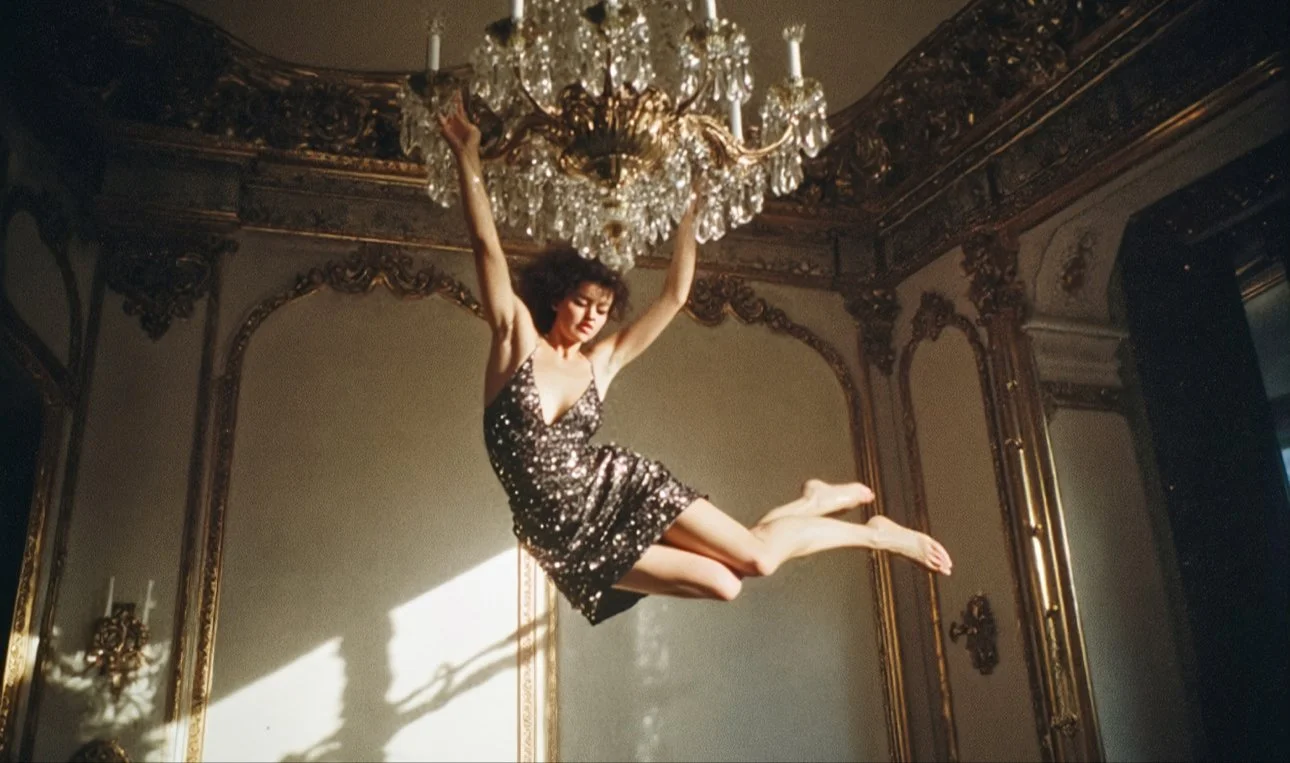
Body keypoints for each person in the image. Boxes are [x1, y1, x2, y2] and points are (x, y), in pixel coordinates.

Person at [438, 93, 952, 625]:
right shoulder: (515, 340)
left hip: (616, 491)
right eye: (582, 303)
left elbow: (674, 296)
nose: (593, 317)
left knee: (757, 558)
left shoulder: (601, 363)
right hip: (559, 536)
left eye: (603, 309)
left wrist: (691, 213)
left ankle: (874, 535)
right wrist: (467, 157)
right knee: (727, 583)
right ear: (554, 297)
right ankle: (808, 503)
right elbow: (486, 247)